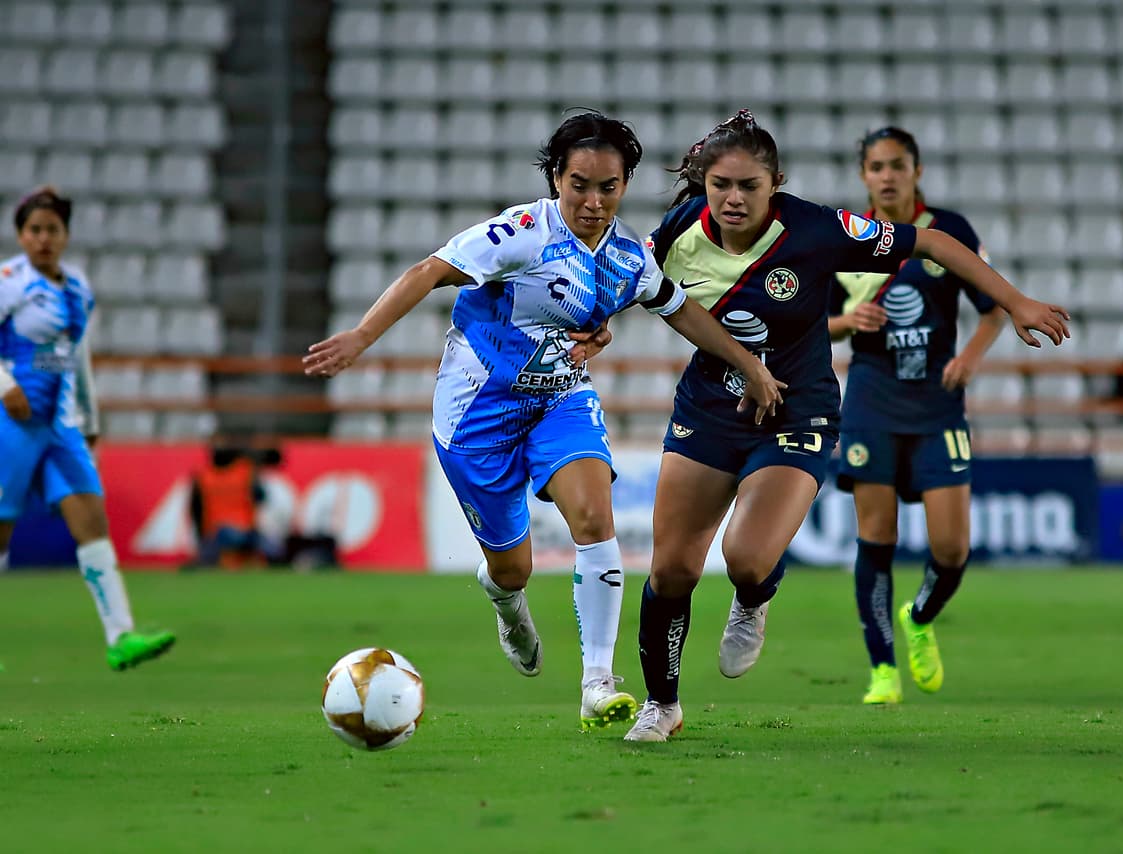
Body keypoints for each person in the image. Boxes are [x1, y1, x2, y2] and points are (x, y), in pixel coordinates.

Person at [303, 112, 783, 730]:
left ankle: (596, 681)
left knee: (593, 517)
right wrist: (362, 336)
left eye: (608, 186)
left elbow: (681, 310)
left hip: (560, 398)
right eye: (579, 183)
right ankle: (506, 601)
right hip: (477, 413)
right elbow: (429, 272)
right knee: (513, 568)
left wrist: (748, 364)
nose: (593, 200)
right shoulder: (522, 233)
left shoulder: (629, 256)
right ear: (557, 178)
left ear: (624, 186)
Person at [623, 110, 1069, 742]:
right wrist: (597, 327)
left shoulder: (816, 228)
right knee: (671, 572)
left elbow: (935, 244)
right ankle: (661, 705)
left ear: (774, 183)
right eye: (721, 184)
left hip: (797, 410)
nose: (734, 198)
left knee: (746, 559)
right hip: (709, 409)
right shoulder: (676, 232)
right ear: (706, 182)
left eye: (749, 185)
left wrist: (1016, 301)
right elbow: (636, 289)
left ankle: (754, 599)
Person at [828, 126, 1008, 706]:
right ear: (864, 176)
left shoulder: (949, 232)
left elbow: (993, 308)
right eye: (876, 166)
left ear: (916, 171)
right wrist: (845, 324)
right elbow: (805, 321)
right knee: (875, 536)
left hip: (937, 403)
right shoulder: (841, 238)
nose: (887, 176)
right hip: (871, 400)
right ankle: (882, 670)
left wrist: (970, 358)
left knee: (952, 549)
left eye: (897, 165)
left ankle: (920, 616)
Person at [0, 186, 175, 670]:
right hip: (10, 420)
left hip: (58, 425)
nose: (42, 239)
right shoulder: (7, 282)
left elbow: (76, 357)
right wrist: (3, 385)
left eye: (52, 230)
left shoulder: (77, 287)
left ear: (66, 235)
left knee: (92, 524)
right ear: (20, 234)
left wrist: (89, 417)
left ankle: (121, 637)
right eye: (34, 230)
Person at [188, 441, 269, 569]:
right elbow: (262, 497)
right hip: (240, 533)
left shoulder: (202, 477)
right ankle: (239, 558)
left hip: (224, 533)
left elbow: (195, 511)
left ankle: (227, 558)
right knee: (271, 550)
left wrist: (201, 540)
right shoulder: (246, 471)